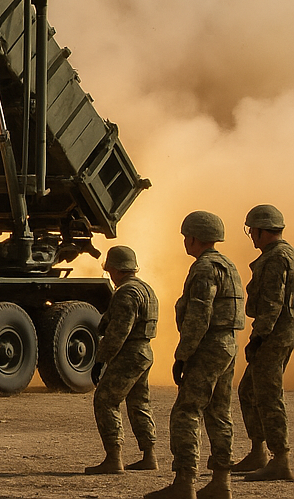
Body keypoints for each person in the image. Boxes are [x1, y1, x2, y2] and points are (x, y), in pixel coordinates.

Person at [145, 211, 245, 499]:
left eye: (186, 237)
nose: (184, 242)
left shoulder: (204, 268)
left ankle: (185, 482)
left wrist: (183, 354)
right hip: (228, 345)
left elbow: (200, 315)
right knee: (219, 412)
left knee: (186, 412)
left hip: (207, 346)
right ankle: (221, 482)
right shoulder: (229, 266)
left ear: (193, 238)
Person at [232, 204, 294, 481]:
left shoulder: (275, 258)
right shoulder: (287, 253)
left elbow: (272, 303)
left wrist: (258, 337)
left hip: (273, 334)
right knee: (248, 390)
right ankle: (259, 452)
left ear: (260, 231)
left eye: (252, 232)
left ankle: (280, 459)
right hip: (281, 332)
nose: (252, 238)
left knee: (268, 395)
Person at [85, 245, 158, 474]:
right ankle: (149, 456)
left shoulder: (126, 293)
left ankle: (114, 458)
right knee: (139, 402)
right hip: (144, 351)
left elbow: (118, 332)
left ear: (116, 269)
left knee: (105, 400)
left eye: (110, 271)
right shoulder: (146, 289)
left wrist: (101, 359)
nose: (110, 276)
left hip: (129, 353)